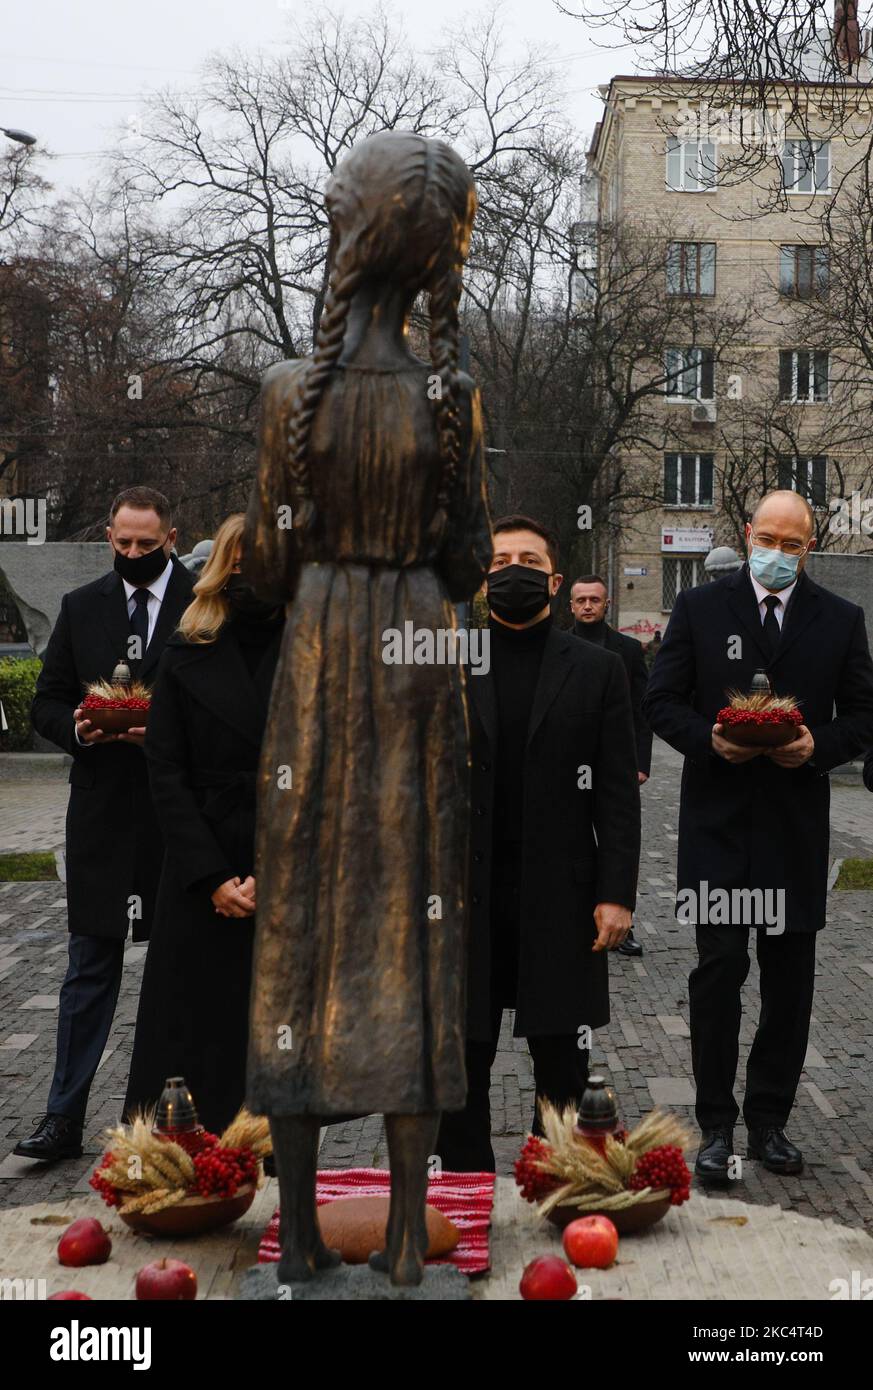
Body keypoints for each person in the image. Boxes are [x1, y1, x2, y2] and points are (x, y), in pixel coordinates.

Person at [243, 130, 492, 1285]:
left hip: (317, 669)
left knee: (300, 926)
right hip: (417, 665)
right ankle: (403, 1233)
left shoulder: (293, 393)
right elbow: (470, 557)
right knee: (416, 924)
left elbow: (266, 572)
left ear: (354, 233)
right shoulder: (454, 401)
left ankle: (293, 1233)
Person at [644, 490, 873, 1183]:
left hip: (793, 833)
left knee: (789, 983)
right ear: (747, 535)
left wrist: (819, 747)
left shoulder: (839, 619)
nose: (775, 552)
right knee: (716, 976)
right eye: (766, 537)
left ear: (809, 546)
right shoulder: (698, 609)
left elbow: (862, 714)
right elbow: (659, 700)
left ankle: (768, 1122)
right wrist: (709, 741)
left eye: (791, 543)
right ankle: (714, 1127)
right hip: (715, 830)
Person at [436, 515, 642, 1172]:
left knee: (560, 1056)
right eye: (499, 562)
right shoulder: (446, 661)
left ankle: (553, 1179)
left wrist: (616, 894)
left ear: (553, 582)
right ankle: (464, 1190)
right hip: (464, 894)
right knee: (462, 1054)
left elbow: (615, 793)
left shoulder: (597, 669)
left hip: (561, 893)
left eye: (527, 560)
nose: (512, 571)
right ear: (480, 578)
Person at [14, 488, 194, 1164]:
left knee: (180, 970)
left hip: (179, 817)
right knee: (90, 967)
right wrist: (82, 730)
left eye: (147, 545)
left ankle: (178, 1123)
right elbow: (46, 703)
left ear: (171, 537)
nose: (134, 556)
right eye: (123, 544)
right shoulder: (80, 605)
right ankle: (63, 1118)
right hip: (102, 816)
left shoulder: (207, 604)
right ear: (108, 536)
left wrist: (170, 732)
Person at [123, 515, 283, 1134]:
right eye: (237, 564)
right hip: (201, 874)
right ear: (219, 571)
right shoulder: (185, 653)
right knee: (190, 1029)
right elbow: (165, 773)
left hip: (286, 871)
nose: (249, 577)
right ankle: (178, 1162)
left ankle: (274, 1169)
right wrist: (214, 877)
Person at [571, 573, 653, 959]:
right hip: (568, 764)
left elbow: (642, 709)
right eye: (581, 600)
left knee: (617, 842)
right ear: (570, 605)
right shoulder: (558, 646)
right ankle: (577, 918)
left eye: (594, 600)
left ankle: (624, 922)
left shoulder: (628, 650)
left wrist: (640, 762)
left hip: (615, 762)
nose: (588, 606)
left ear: (607, 604)